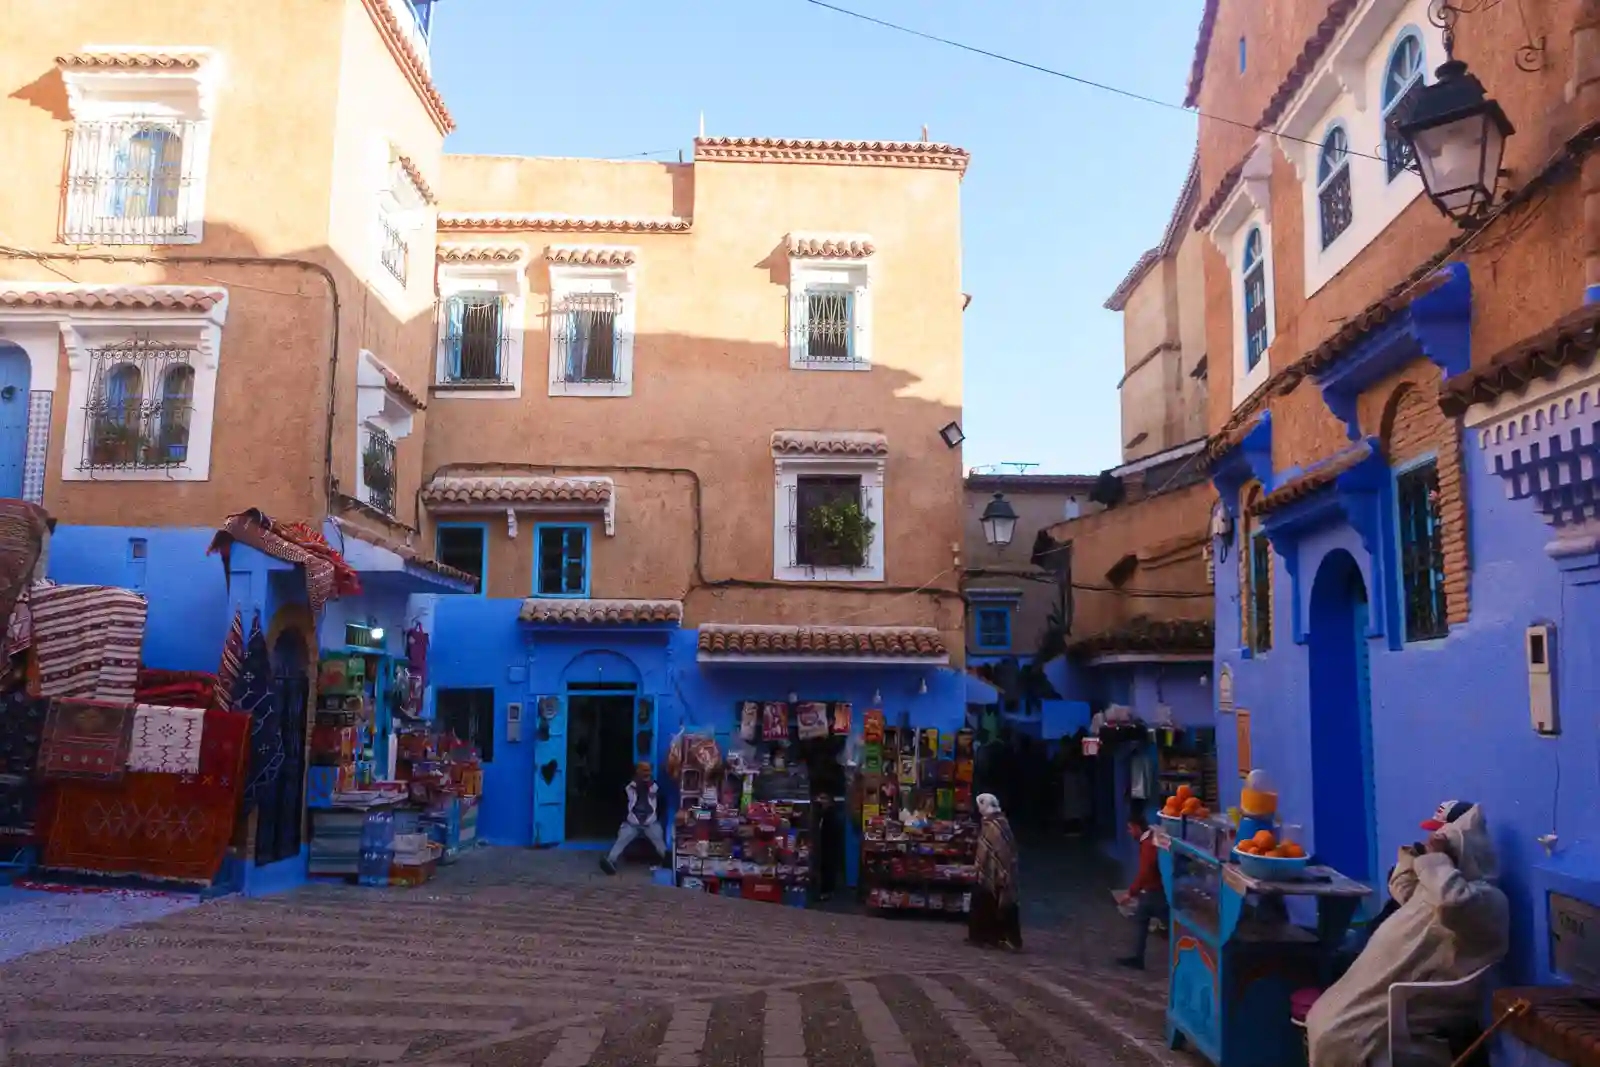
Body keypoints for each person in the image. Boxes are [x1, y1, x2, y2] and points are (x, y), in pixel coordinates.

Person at [1305, 801, 1509, 1067]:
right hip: (1338, 1021)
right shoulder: (1438, 889)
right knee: (1328, 1021)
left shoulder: (1483, 902)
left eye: (1440, 838)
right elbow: (1402, 889)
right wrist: (1415, 857)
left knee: (1339, 1032)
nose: (1431, 842)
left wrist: (1436, 861)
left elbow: (1452, 902)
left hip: (1398, 1025)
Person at [968, 793, 1022, 949]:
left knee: (1002, 903)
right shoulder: (991, 823)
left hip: (997, 871)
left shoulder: (997, 824)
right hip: (989, 871)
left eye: (980, 806)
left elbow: (1003, 850)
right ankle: (985, 937)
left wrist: (1001, 870)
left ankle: (1002, 938)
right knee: (984, 901)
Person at [1115, 811, 1168, 969]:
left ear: (1137, 828)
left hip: (1154, 893)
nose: (1129, 832)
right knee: (1141, 922)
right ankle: (1138, 958)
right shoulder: (1150, 840)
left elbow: (1145, 872)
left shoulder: (1147, 845)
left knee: (1170, 926)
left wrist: (1130, 893)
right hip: (1150, 893)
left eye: (1130, 829)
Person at [599, 762, 668, 875]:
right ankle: (610, 862)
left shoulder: (656, 788)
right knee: (621, 839)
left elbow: (661, 805)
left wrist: (654, 819)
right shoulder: (627, 787)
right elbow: (620, 805)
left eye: (648, 771)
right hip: (632, 823)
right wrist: (625, 820)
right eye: (644, 771)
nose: (647, 774)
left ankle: (666, 862)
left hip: (650, 823)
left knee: (659, 841)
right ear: (638, 771)